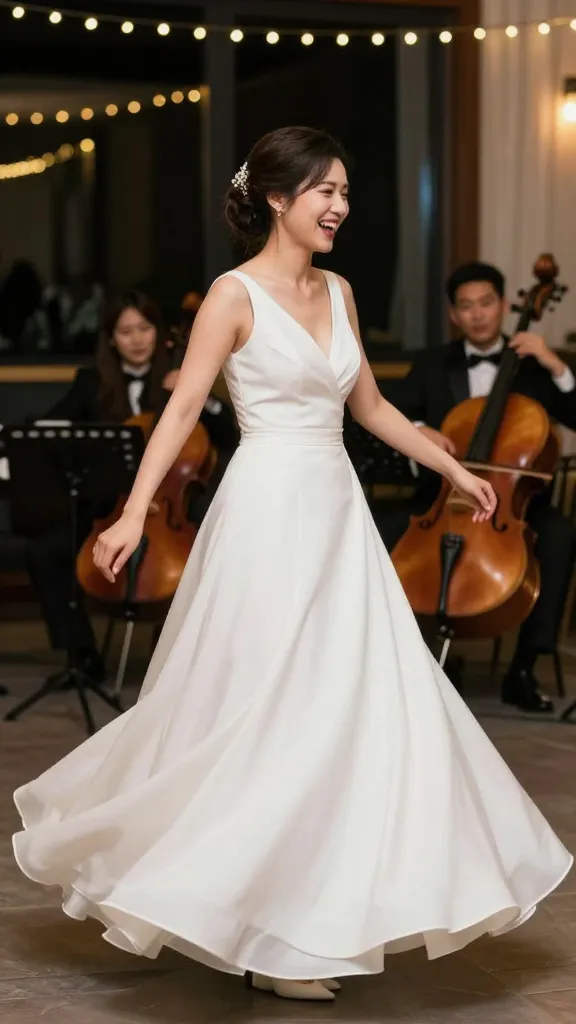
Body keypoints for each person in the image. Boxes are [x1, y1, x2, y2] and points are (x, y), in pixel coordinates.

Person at [13, 128, 571, 1003]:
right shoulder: (232, 298)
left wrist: (456, 468)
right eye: (325, 191)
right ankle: (252, 923)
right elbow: (183, 408)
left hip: (337, 514)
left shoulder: (342, 291)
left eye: (346, 190)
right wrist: (130, 512)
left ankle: (299, 927)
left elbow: (373, 405)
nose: (341, 205)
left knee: (346, 710)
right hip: (266, 512)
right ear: (278, 198)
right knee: (266, 711)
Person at [379, 262, 576, 713]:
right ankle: (412, 664)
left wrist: (554, 363)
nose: (478, 315)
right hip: (443, 499)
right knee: (378, 533)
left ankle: (523, 669)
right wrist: (420, 429)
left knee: (560, 536)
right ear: (453, 314)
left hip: (513, 505)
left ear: (506, 306)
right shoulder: (433, 364)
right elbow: (387, 411)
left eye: (486, 303)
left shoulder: (533, 365)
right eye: (466, 307)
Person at [25, 290, 237, 686]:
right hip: (110, 507)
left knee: (209, 553)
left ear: (159, 333)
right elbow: (53, 426)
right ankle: (82, 656)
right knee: (44, 552)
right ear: (110, 338)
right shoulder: (91, 382)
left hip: (172, 511)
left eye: (144, 328)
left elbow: (227, 435)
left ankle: (179, 661)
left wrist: (200, 395)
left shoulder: (183, 375)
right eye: (125, 331)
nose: (137, 339)